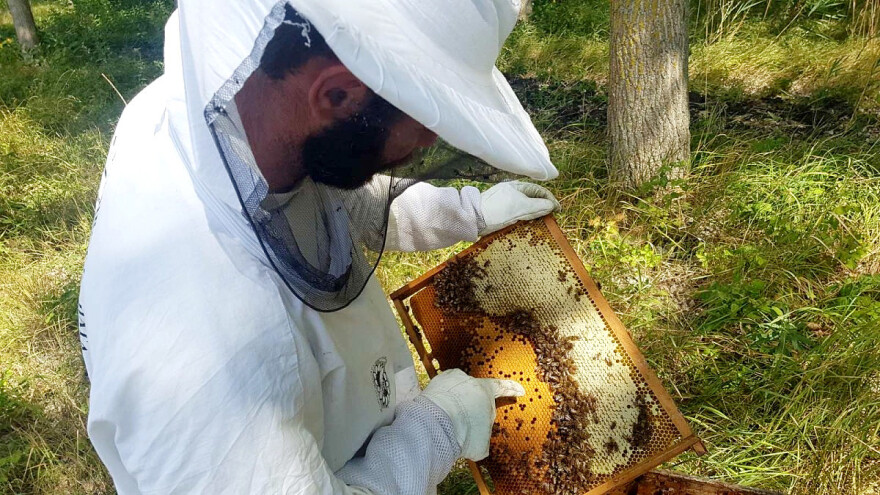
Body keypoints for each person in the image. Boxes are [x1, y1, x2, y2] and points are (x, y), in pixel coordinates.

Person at [78, 1, 560, 493]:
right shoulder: (210, 361)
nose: (432, 138)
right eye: (427, 116)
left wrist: (469, 213)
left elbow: (334, 190)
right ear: (335, 92)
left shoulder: (218, 107)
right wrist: (439, 427)